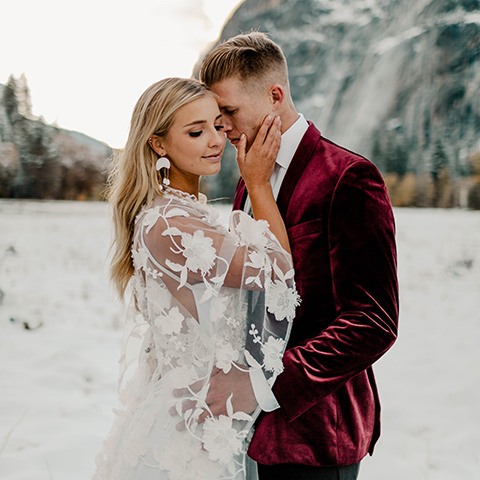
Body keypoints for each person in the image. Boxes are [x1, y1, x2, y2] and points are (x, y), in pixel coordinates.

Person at [199, 32, 399, 480]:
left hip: (315, 435)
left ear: (275, 96)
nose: (222, 128)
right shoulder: (249, 175)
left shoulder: (348, 177)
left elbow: (373, 322)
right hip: (248, 432)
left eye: (228, 112)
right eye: (216, 116)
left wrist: (262, 386)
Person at [92, 77, 300, 480]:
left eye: (218, 126)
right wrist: (257, 182)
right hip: (189, 429)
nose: (215, 141)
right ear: (158, 144)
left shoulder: (177, 214)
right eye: (196, 131)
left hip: (203, 413)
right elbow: (278, 271)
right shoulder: (172, 224)